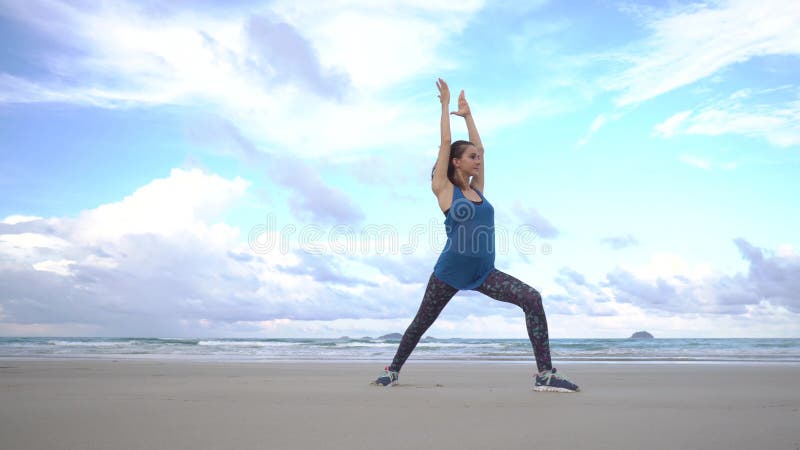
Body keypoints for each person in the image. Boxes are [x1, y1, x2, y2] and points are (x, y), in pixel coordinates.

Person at [370, 78, 580, 393]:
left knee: (532, 299)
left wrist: (468, 116)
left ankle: (545, 375)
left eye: (477, 158)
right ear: (456, 162)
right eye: (470, 157)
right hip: (450, 272)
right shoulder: (445, 190)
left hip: (484, 273)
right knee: (421, 324)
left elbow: (481, 147)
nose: (477, 160)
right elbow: (444, 144)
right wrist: (444, 106)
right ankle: (392, 370)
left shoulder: (477, 190)